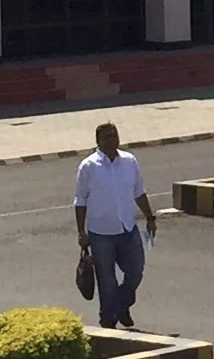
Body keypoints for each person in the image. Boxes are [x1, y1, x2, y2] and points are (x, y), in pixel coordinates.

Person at [72, 122, 156, 329]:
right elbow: (80, 200)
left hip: (127, 228)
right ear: (98, 141)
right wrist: (81, 232)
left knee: (136, 271)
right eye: (107, 137)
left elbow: (139, 191)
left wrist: (150, 217)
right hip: (101, 232)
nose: (112, 140)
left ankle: (121, 305)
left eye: (114, 135)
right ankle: (108, 320)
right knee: (107, 281)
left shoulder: (129, 161)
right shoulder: (89, 166)